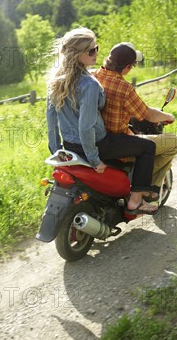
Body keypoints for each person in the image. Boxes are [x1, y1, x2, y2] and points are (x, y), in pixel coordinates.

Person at [45, 28, 158, 214]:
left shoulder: (55, 81)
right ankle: (136, 201)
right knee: (148, 148)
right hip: (98, 143)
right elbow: (86, 126)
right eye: (91, 51)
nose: (96, 53)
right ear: (76, 55)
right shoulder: (89, 84)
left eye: (96, 48)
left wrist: (57, 151)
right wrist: (95, 160)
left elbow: (51, 121)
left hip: (70, 146)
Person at [93, 42, 177, 199]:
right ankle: (147, 188)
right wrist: (168, 117)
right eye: (132, 65)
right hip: (117, 143)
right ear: (127, 67)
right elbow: (147, 114)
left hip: (95, 139)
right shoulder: (124, 88)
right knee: (173, 142)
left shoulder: (93, 76)